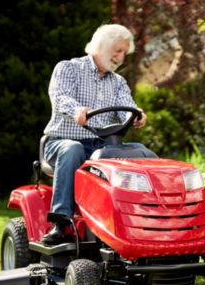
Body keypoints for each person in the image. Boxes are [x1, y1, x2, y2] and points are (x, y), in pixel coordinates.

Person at [40, 24, 147, 245]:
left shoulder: (117, 82)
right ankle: (61, 222)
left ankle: (138, 221)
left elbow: (126, 105)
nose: (120, 58)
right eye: (117, 51)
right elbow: (60, 97)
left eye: (123, 54)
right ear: (102, 46)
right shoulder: (68, 68)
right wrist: (76, 110)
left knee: (141, 153)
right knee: (73, 148)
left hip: (100, 147)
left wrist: (137, 115)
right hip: (60, 143)